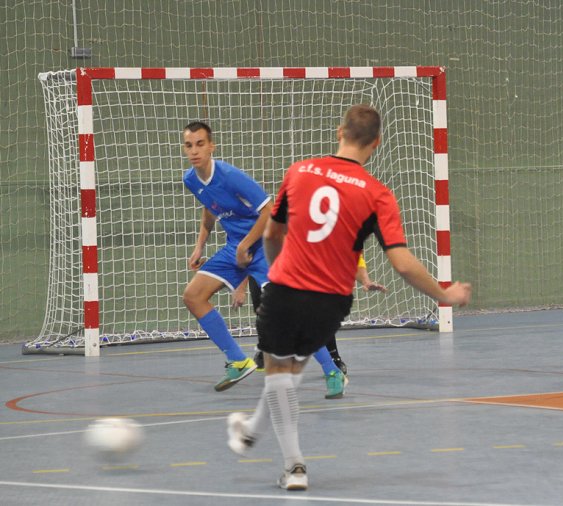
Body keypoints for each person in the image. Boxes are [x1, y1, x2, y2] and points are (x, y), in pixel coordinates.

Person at [225, 104, 472, 490]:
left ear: (340, 131)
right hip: (333, 301)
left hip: (288, 288)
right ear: (376, 143)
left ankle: (295, 467)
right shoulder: (378, 195)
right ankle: (250, 432)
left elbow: (273, 235)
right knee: (290, 372)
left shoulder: (300, 171)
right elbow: (404, 264)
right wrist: (445, 293)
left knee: (278, 373)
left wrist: (276, 273)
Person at [181, 121, 267, 391]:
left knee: (288, 311)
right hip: (235, 247)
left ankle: (332, 369)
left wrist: (246, 246)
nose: (194, 150)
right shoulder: (190, 179)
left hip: (266, 243)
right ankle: (237, 360)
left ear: (211, 146)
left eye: (200, 144)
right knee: (193, 296)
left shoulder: (230, 175)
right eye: (188, 145)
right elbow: (210, 208)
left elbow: (269, 211)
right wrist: (199, 247)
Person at [246, 256, 386, 398]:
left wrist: (365, 280)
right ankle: (329, 371)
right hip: (267, 271)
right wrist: (240, 287)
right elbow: (242, 256)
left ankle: (332, 369)